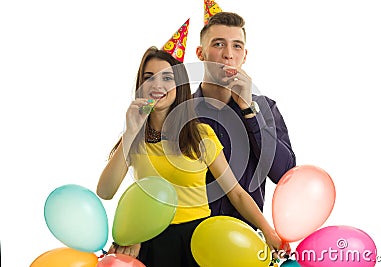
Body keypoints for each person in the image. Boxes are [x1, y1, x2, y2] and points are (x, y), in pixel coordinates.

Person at [96, 46, 287, 266]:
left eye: (167, 78)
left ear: (179, 86)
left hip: (198, 240)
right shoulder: (133, 139)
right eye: (149, 78)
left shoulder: (201, 135)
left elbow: (236, 193)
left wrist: (268, 231)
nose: (157, 85)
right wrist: (129, 133)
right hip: (149, 242)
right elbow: (105, 191)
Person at [194, 11, 296, 235]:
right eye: (218, 44)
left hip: (246, 240)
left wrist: (250, 111)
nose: (228, 54)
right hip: (189, 241)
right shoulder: (182, 112)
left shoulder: (265, 108)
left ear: (245, 56)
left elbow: (284, 174)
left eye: (237, 46)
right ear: (200, 53)